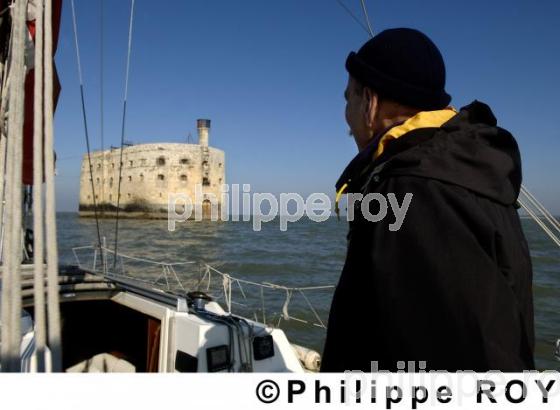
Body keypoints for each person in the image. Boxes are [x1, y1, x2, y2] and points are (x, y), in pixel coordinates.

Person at [320, 28, 535, 372]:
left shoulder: (410, 189)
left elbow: (453, 363)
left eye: (349, 98)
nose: (346, 115)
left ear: (370, 102)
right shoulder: (468, 170)